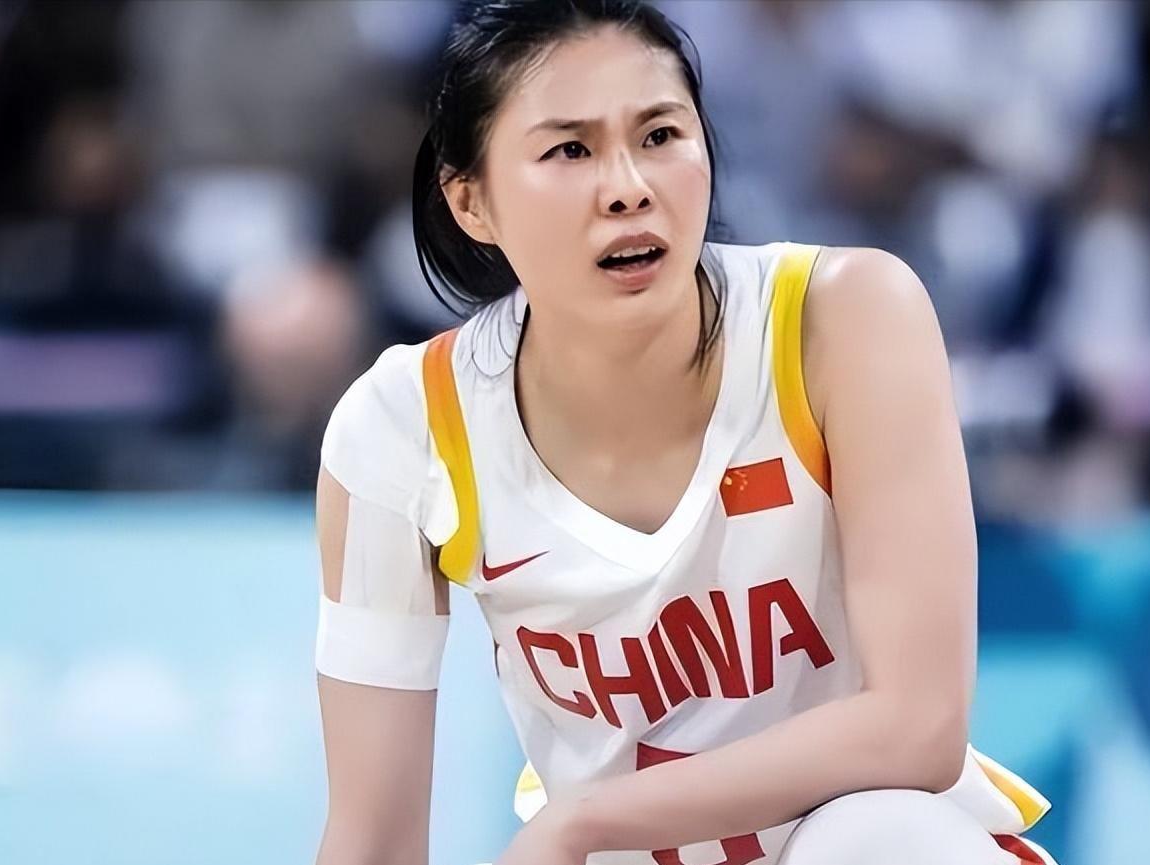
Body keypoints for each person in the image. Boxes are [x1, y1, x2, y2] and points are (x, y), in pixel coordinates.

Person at [312, 2, 1057, 864]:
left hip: (874, 843)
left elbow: (917, 725)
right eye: (569, 150)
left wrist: (582, 821)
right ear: (471, 202)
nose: (629, 185)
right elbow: (373, 839)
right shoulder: (401, 426)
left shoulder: (844, 317)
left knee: (875, 836)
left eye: (661, 135)